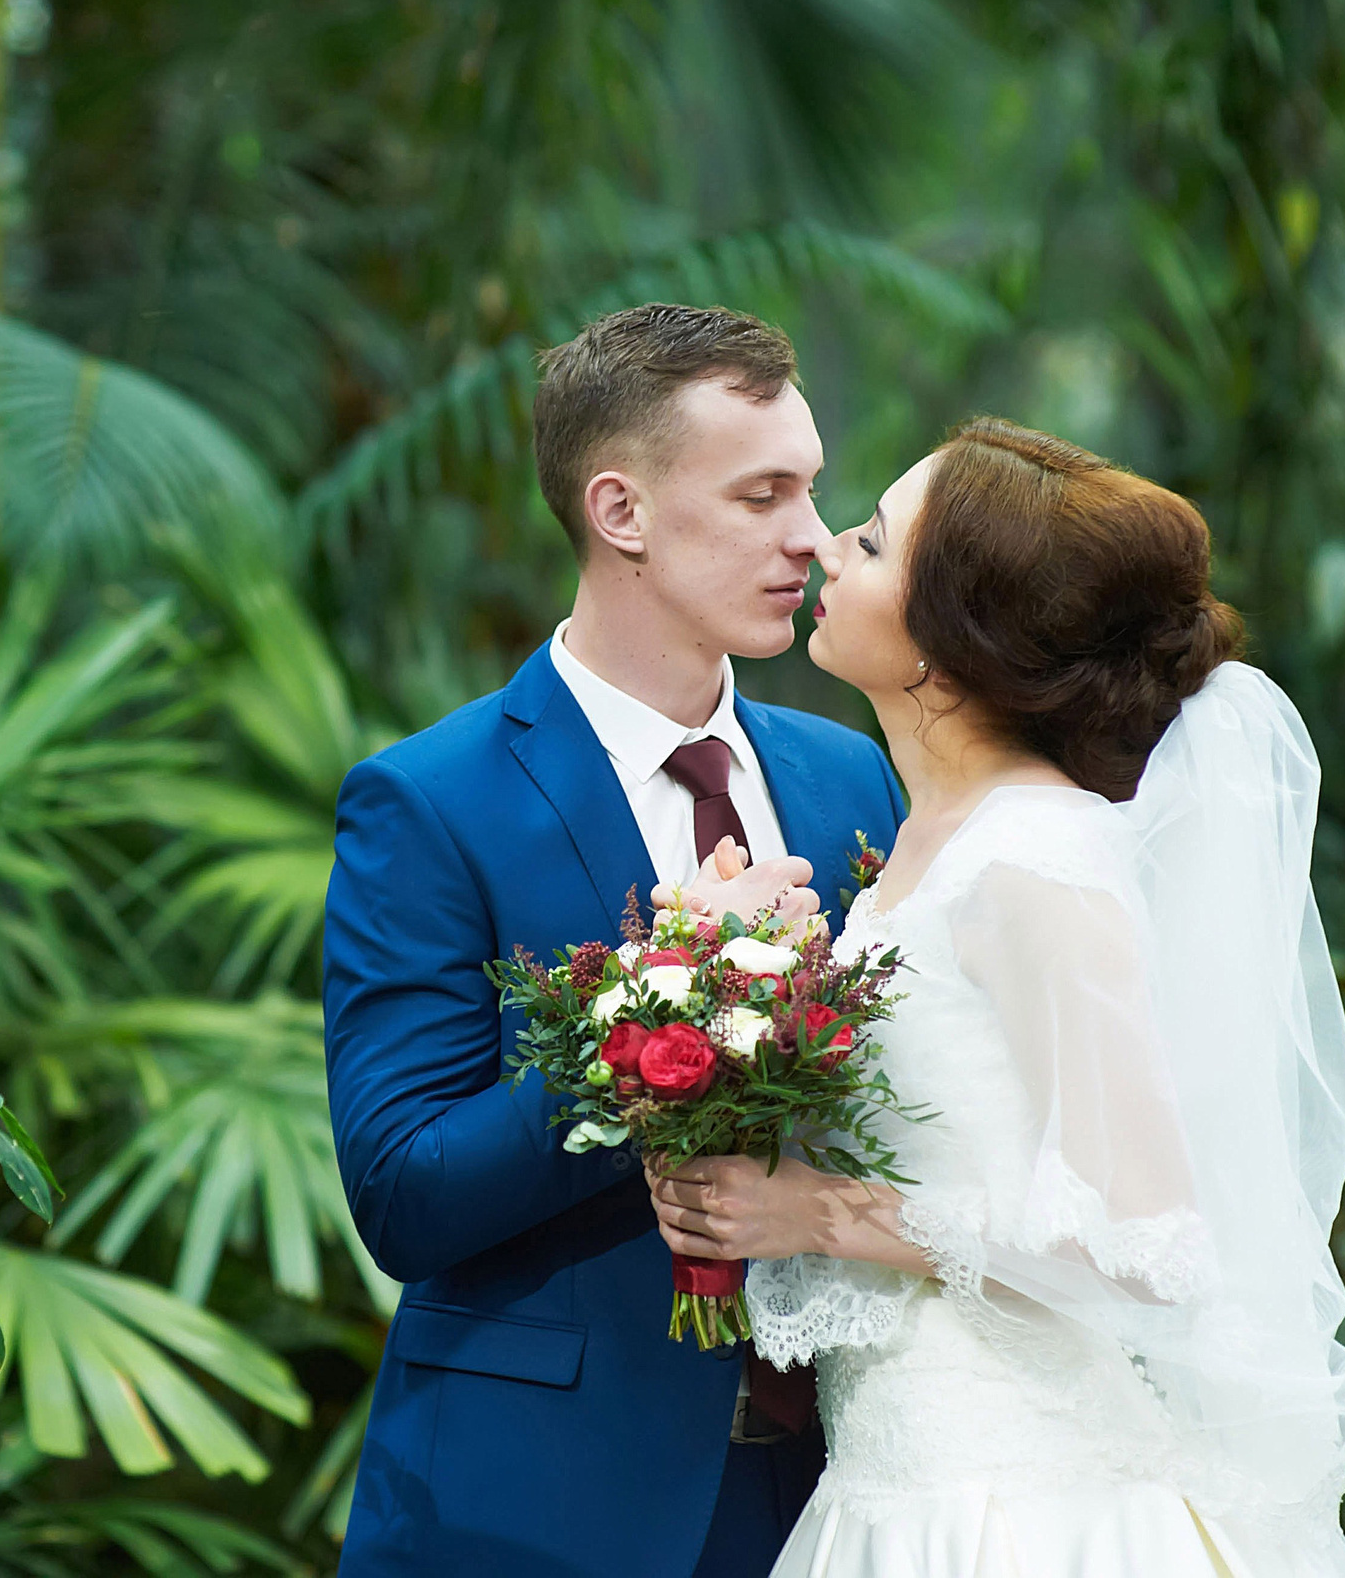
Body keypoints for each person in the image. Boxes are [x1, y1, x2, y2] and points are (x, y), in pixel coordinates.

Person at [645, 418, 1345, 1577]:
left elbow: (1145, 1245)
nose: (830, 549)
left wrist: (817, 1214)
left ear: (946, 643)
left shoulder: (1035, 862)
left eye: (873, 543)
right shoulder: (927, 845)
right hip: (897, 1477)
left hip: (1012, 1507)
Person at [323, 304, 908, 1577]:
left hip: (847, 1496)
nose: (809, 537)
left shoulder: (855, 776)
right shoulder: (431, 801)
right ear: (620, 512)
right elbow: (403, 1193)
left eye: (810, 491)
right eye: (762, 495)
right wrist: (676, 1002)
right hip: (539, 1507)